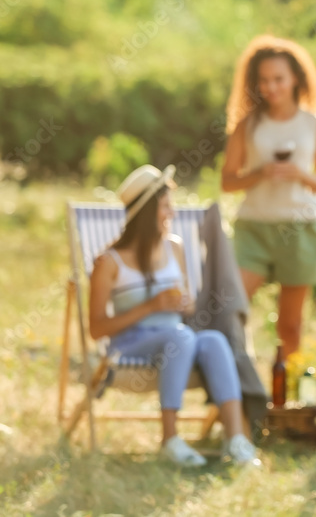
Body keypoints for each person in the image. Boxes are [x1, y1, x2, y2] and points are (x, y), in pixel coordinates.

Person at [89, 164, 260, 467]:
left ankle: (236, 439)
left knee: (214, 340)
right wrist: (149, 307)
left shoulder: (174, 248)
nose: (172, 213)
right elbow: (96, 328)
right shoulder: (109, 262)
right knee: (180, 337)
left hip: (176, 340)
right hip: (129, 346)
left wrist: (183, 304)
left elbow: (188, 306)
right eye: (166, 206)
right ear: (145, 213)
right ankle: (170, 439)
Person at [220, 35, 316, 357]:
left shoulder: (315, 124)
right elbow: (227, 182)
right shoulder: (247, 125)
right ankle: (235, 391)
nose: (271, 87)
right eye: (263, 80)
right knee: (230, 312)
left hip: (299, 229)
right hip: (253, 228)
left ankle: (283, 400)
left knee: (290, 326)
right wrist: (260, 174)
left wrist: (301, 175)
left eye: (278, 79)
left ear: (296, 79)